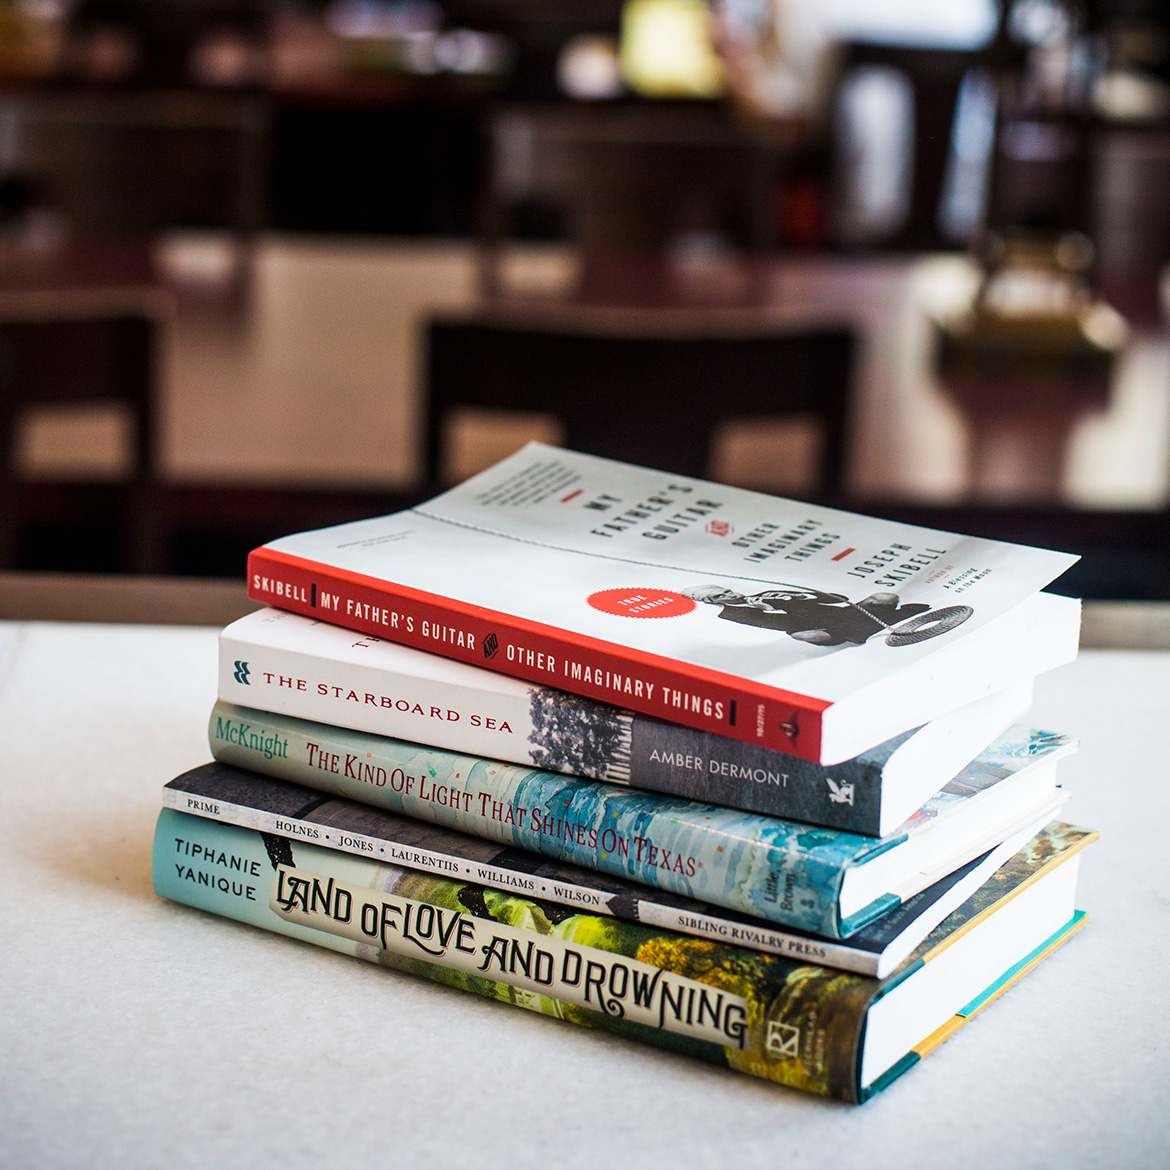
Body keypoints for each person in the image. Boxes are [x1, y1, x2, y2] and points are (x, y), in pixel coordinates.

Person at [681, 583, 931, 646]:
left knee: (885, 597)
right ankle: (854, 633)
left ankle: (871, 622)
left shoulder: (769, 592)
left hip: (837, 613)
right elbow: (773, 625)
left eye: (726, 590)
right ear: (711, 603)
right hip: (815, 625)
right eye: (720, 596)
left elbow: (820, 599)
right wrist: (771, 608)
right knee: (805, 636)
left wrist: (817, 597)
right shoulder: (730, 616)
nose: (729, 594)